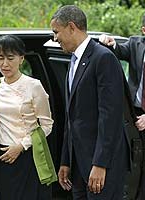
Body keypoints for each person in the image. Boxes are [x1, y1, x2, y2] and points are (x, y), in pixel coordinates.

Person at [50, 5, 129, 200]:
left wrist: (101, 164)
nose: (55, 38)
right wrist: (66, 161)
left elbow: (110, 117)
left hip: (101, 167)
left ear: (71, 27)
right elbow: (73, 117)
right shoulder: (74, 60)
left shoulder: (103, 58)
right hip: (79, 167)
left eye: (56, 32)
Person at [0, 35, 57, 200]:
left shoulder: (33, 86)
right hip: (2, 154)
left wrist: (21, 146)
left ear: (21, 59)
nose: (5, 64)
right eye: (0, 58)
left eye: (10, 58)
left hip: (27, 156)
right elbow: (1, 120)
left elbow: (47, 125)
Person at [99, 13, 145, 200]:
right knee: (134, 164)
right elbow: (119, 51)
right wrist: (110, 42)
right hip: (135, 113)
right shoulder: (136, 44)